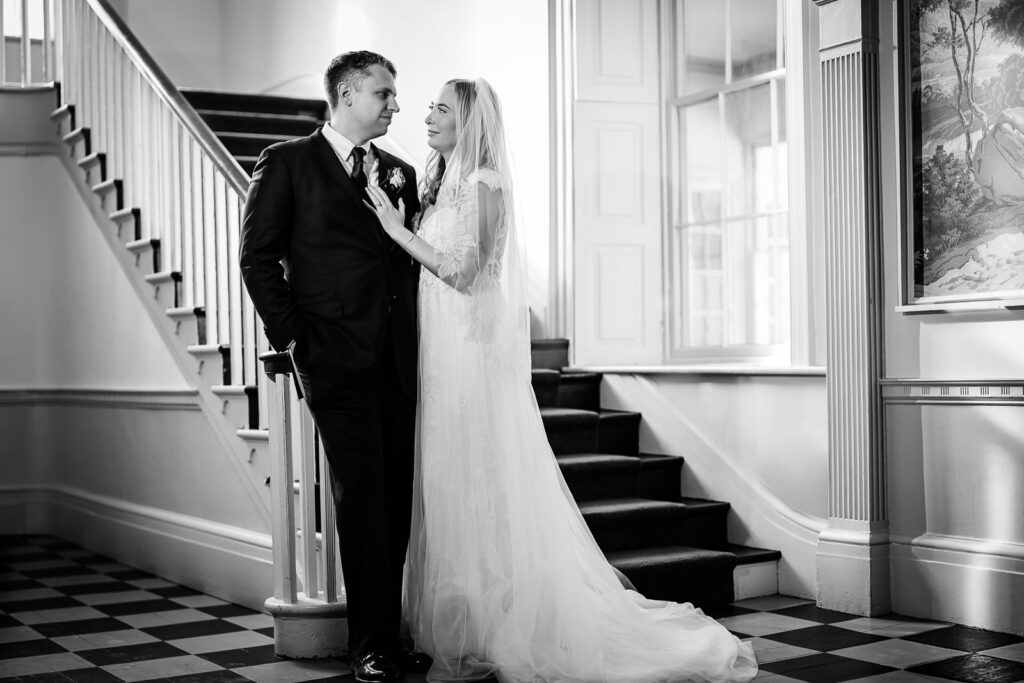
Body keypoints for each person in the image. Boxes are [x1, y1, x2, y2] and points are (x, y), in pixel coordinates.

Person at [364, 78, 757, 682]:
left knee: (478, 481)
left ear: (469, 122)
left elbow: (468, 275)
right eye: (430, 106)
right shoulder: (438, 184)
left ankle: (505, 621)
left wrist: (399, 232)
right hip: (437, 355)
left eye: (441, 107)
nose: (427, 115)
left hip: (467, 356)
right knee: (446, 478)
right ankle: (463, 619)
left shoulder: (485, 185)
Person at [239, 50, 430, 683]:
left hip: (398, 362)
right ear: (347, 95)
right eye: (384, 94)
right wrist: (296, 340)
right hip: (334, 360)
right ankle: (368, 644)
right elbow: (258, 260)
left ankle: (392, 637)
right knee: (361, 499)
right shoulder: (288, 164)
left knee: (396, 503)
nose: (395, 105)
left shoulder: (400, 173)